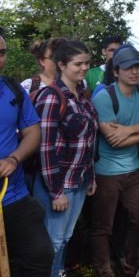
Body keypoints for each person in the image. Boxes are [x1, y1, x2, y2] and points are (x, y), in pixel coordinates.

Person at [90, 45, 139, 277]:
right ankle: (104, 269)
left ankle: (131, 267)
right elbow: (115, 141)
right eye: (128, 68)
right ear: (116, 71)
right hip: (106, 172)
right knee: (104, 226)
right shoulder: (104, 97)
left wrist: (131, 130)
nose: (135, 72)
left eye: (138, 67)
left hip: (134, 170)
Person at [33, 39, 99, 277]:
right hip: (59, 183)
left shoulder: (82, 95)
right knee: (53, 240)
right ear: (61, 64)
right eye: (77, 64)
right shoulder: (51, 97)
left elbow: (88, 142)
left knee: (65, 238)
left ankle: (58, 272)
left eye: (87, 63)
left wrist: (90, 177)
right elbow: (46, 148)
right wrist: (56, 191)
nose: (84, 68)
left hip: (79, 180)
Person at [0, 34, 54, 276]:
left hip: (14, 195)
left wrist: (14, 158)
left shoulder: (13, 90)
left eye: (2, 52)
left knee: (39, 255)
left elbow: (33, 132)